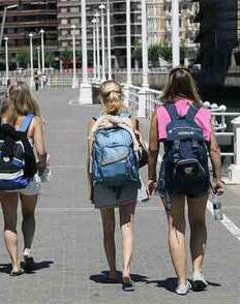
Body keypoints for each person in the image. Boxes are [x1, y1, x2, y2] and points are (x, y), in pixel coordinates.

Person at [147, 67, 223, 295]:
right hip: (198, 175)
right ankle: (197, 272)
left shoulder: (161, 112)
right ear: (191, 85)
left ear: (169, 85)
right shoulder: (202, 111)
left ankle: (181, 282)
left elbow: (152, 150)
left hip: (171, 176)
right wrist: (217, 178)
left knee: (176, 225)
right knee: (198, 222)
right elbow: (215, 149)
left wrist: (151, 177)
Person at [87, 80, 147, 291]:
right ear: (120, 96)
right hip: (128, 179)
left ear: (100, 98)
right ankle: (126, 270)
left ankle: (112, 271)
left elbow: (90, 159)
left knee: (107, 228)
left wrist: (91, 188)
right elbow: (139, 153)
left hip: (103, 180)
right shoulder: (130, 120)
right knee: (127, 226)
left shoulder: (94, 122)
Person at [0, 82, 48, 276]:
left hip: (4, 176)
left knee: (9, 221)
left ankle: (15, 264)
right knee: (29, 214)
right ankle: (27, 249)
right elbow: (41, 151)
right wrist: (43, 165)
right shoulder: (34, 121)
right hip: (28, 175)